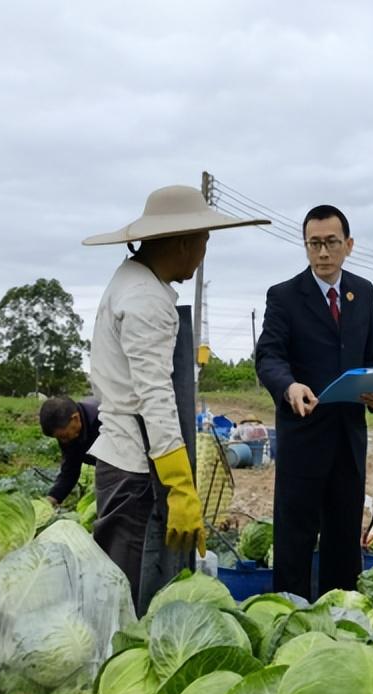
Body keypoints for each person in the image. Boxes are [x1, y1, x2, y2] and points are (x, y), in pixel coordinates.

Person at [82, 185, 268, 605]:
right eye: (204, 241)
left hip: (122, 454)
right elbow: (155, 398)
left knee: (118, 590)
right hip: (135, 467)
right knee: (127, 597)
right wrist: (181, 486)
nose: (204, 253)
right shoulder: (146, 299)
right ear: (185, 243)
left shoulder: (130, 279)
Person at [255, 204, 373, 600]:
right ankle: (289, 615)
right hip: (304, 436)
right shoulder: (285, 296)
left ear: (348, 244)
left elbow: (371, 356)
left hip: (348, 437)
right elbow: (268, 356)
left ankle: (340, 616)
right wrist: (289, 386)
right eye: (314, 244)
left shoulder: (362, 292)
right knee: (295, 537)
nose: (323, 253)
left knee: (344, 536)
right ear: (306, 246)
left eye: (331, 243)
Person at [38, 395, 101, 506]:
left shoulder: (103, 420)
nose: (63, 441)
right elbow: (70, 469)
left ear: (75, 418)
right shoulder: (68, 435)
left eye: (64, 436)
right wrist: (53, 498)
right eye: (59, 438)